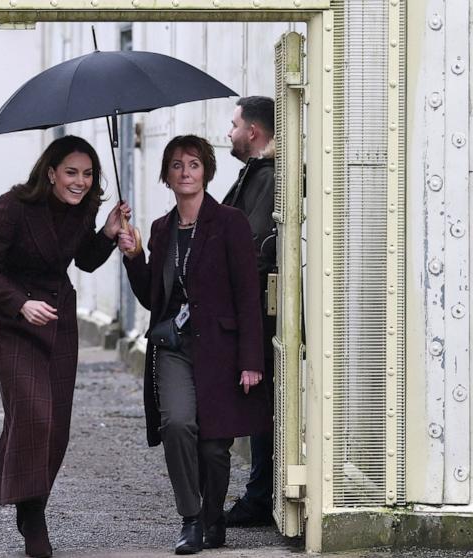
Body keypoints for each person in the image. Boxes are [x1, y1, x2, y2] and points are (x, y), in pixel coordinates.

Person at [0, 135, 129, 558]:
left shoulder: (85, 209)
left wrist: (110, 232)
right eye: (71, 172)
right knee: (34, 413)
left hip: (58, 322)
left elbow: (84, 260)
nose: (80, 182)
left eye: (88, 173)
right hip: (12, 322)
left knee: (56, 423)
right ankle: (33, 515)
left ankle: (32, 504)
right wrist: (21, 304)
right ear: (51, 173)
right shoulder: (14, 205)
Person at [117, 135, 270, 554]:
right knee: (178, 425)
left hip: (220, 347)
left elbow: (247, 294)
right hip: (173, 346)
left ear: (206, 171)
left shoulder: (230, 223)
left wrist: (251, 360)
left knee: (214, 445)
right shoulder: (161, 229)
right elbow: (153, 297)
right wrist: (133, 256)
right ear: (166, 176)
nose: (186, 172)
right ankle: (190, 519)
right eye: (177, 166)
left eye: (194, 164)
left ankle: (213, 516)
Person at [223, 96, 278, 527]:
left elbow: (255, 247)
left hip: (261, 310)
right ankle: (261, 492)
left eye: (234, 124)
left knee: (262, 402)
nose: (230, 132)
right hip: (253, 307)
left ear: (253, 132)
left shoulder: (269, 176)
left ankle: (261, 496)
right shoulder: (257, 175)